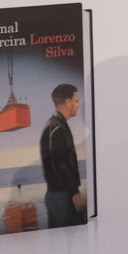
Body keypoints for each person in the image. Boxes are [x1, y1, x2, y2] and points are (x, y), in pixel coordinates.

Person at [40, 84, 85, 228]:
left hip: (55, 195)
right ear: (68, 102)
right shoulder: (58, 127)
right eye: (76, 101)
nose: (78, 105)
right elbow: (61, 164)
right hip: (62, 197)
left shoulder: (53, 124)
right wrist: (75, 193)